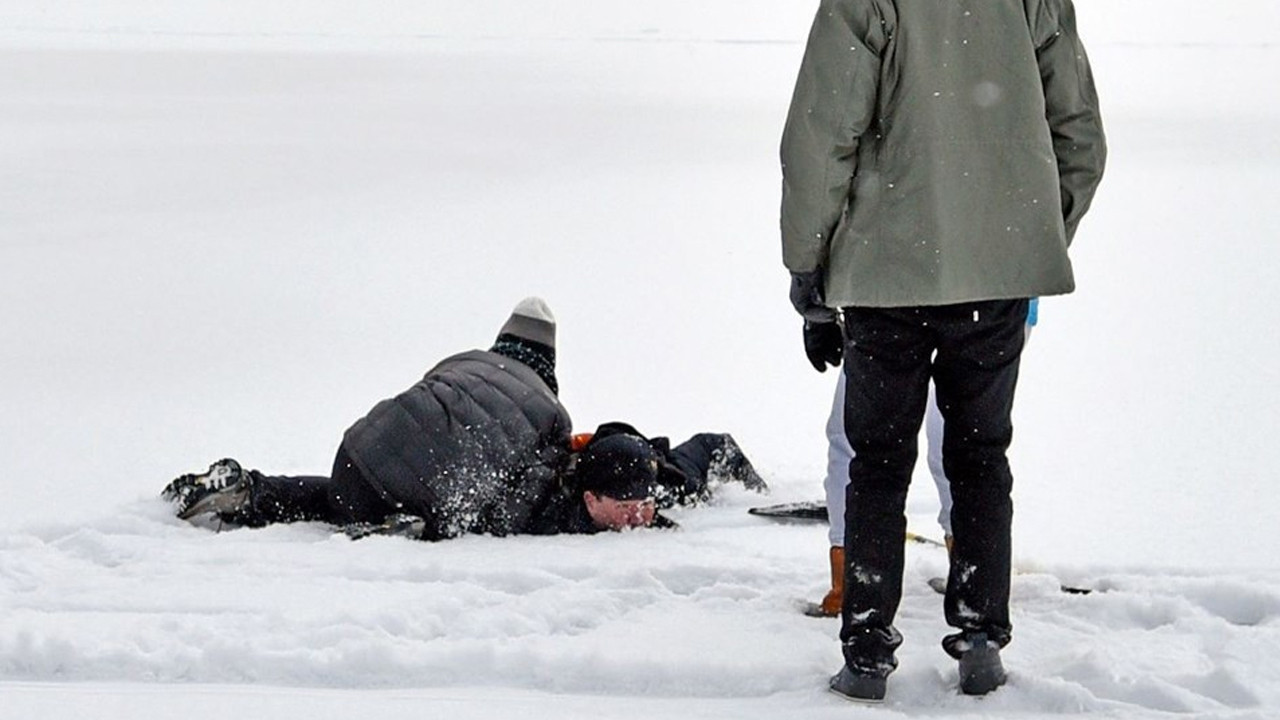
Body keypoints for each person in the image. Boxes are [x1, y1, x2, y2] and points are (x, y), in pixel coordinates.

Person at [780, 0, 1104, 701]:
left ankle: (867, 652)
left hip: (885, 275)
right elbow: (1080, 137)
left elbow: (821, 135)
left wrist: (808, 269)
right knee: (981, 455)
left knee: (878, 461)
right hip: (993, 282)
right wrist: (1025, 239)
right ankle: (982, 637)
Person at [163, 298, 766, 539]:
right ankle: (400, 526)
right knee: (432, 499)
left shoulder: (475, 363)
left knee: (346, 495)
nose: (638, 515)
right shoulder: (550, 433)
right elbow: (497, 503)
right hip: (402, 496)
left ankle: (252, 491)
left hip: (356, 450)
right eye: (628, 506)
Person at [807, 301, 1039, 617]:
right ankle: (975, 586)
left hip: (891, 297)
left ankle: (850, 584)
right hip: (993, 295)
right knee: (968, 443)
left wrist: (816, 304)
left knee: (862, 443)